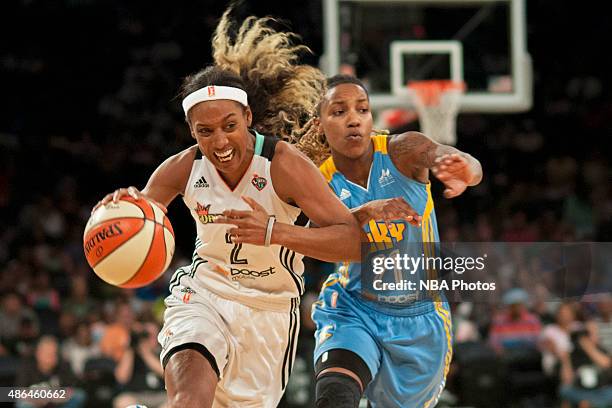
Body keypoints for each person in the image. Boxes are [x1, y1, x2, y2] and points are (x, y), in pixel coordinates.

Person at [93, 8, 361, 408]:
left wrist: (274, 232)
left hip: (269, 311)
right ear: (191, 131)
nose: (219, 141)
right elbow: (143, 213)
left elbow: (354, 242)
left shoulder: (283, 164)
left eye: (229, 126)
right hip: (205, 293)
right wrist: (121, 210)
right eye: (205, 131)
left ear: (248, 118)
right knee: (190, 399)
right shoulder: (183, 168)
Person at [301, 74, 483, 407]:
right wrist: (366, 212)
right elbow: (308, 240)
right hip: (352, 307)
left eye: (362, 109)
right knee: (334, 397)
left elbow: (459, 160)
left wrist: (465, 169)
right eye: (339, 112)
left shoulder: (403, 150)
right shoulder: (317, 181)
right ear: (320, 125)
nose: (354, 119)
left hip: (421, 319)